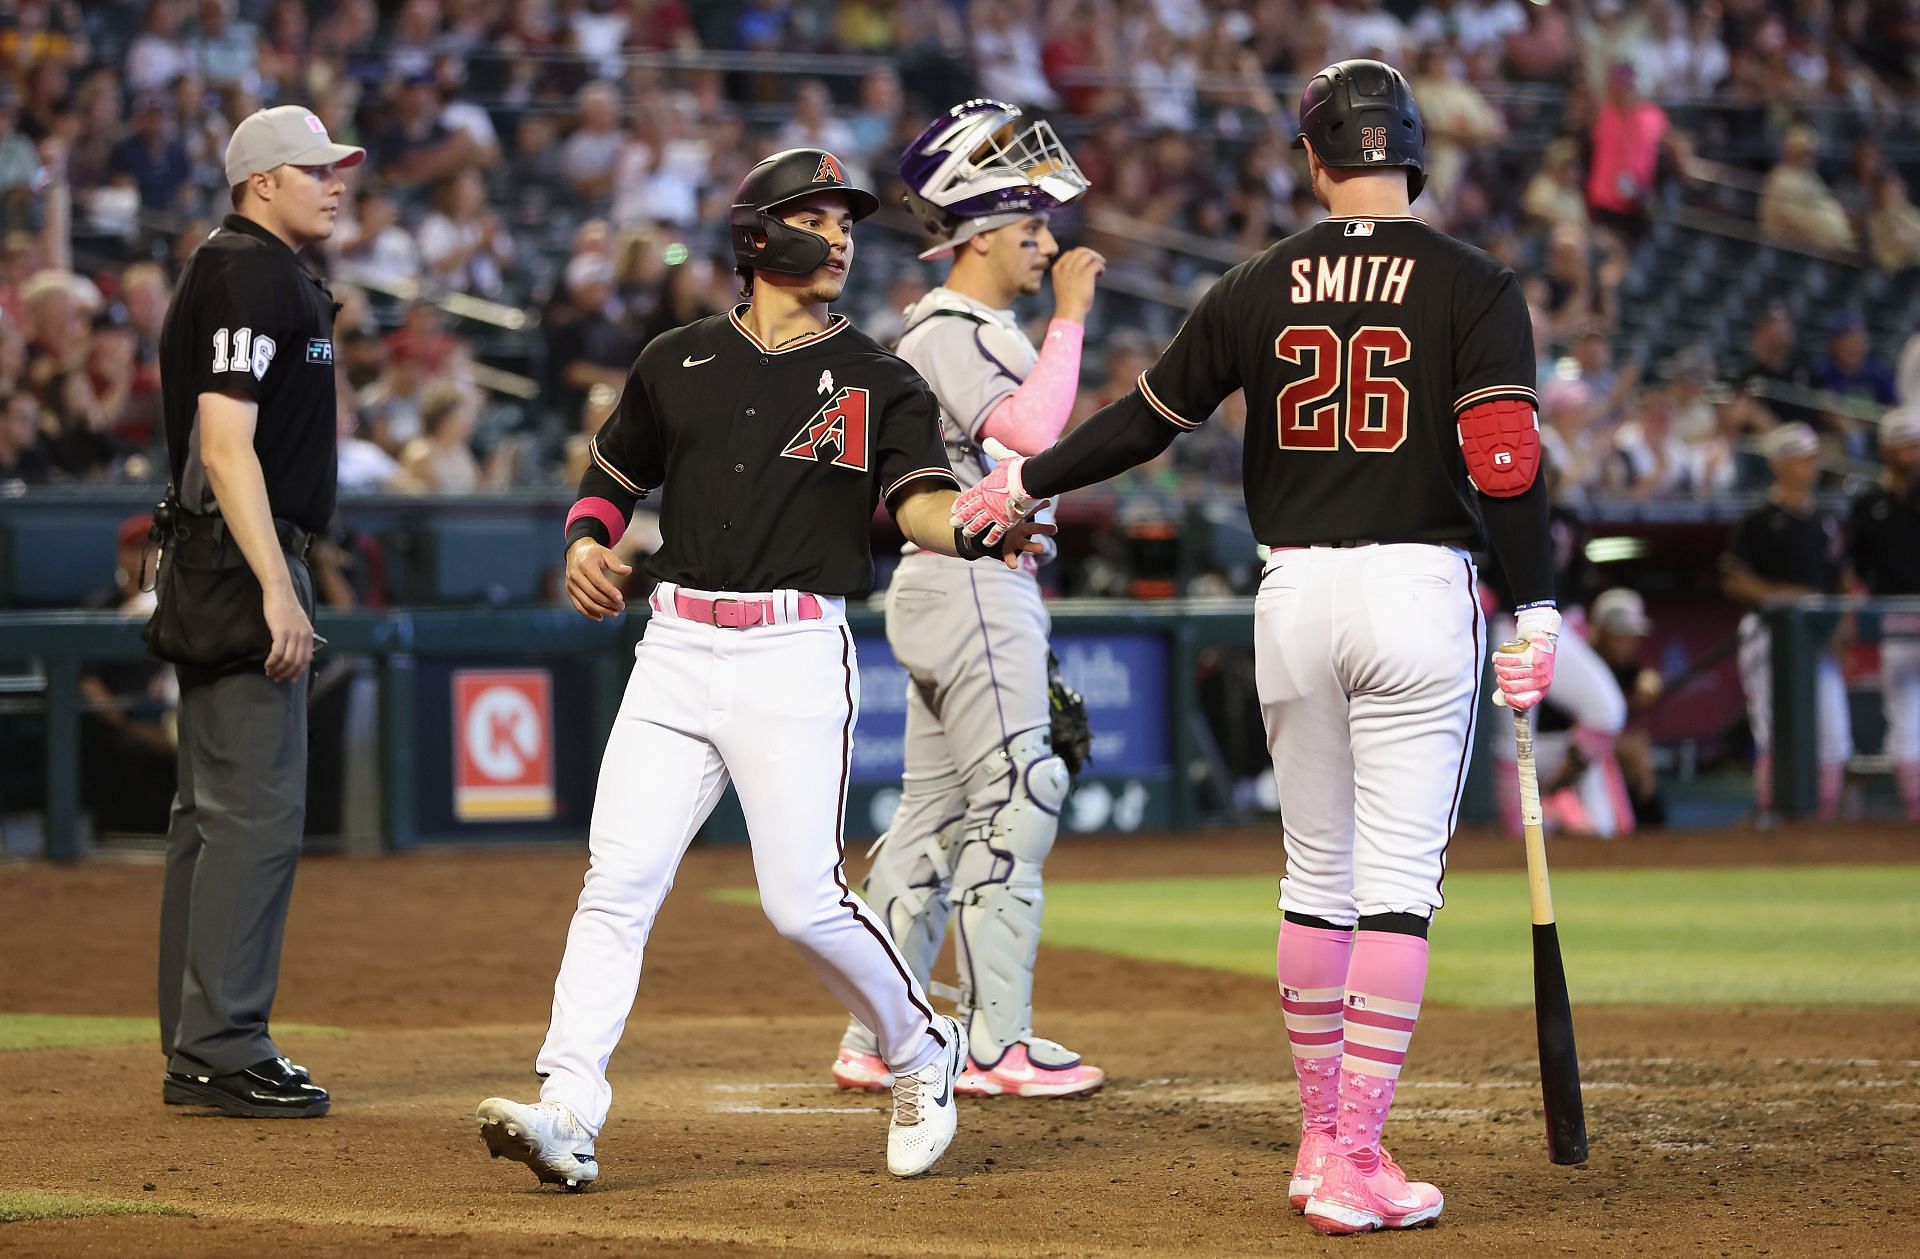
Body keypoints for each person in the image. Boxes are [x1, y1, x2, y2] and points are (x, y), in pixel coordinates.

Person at [952, 60, 1558, 1234]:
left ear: (1316, 159)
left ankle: (1321, 1135)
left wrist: (1024, 474)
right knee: (1394, 888)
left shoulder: (1255, 281)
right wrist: (1535, 605)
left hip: (1292, 595)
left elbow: (1144, 420)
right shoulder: (1477, 282)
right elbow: (1505, 459)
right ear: (1414, 153)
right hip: (1416, 587)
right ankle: (1357, 1152)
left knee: (1313, 876)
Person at [473, 147, 1054, 1191]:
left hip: (792, 646)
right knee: (618, 882)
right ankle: (569, 1105)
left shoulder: (882, 375)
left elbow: (920, 502)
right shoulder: (677, 357)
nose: (837, 236)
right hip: (675, 645)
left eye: (844, 222)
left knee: (801, 900)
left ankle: (923, 1049)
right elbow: (610, 477)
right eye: (815, 217)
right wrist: (581, 543)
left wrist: (974, 525)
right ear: (756, 237)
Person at [829, 99, 1107, 1101]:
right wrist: (1071, 318)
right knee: (1023, 793)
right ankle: (999, 1040)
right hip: (976, 583)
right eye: (1030, 224)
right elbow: (1032, 431)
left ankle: (878, 1030)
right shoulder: (954, 326)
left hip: (957, 585)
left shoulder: (954, 327)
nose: (1048, 242)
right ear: (981, 233)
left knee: (933, 815)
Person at [151, 104, 360, 1118]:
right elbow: (224, 442)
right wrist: (277, 581)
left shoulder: (256, 270)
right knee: (253, 814)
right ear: (261, 181)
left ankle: (201, 1038)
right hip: (243, 553)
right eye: (316, 169)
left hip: (221, 550)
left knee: (210, 815)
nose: (335, 182)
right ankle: (223, 1041)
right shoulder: (249, 269)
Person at [1723, 422, 1853, 822]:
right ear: (1779, 464)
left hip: (1817, 636)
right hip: (1770, 633)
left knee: (1834, 739)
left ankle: (1820, 825)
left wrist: (1839, 624)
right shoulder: (1760, 519)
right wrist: (1783, 597)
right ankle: (1775, 819)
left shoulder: (1824, 520)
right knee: (1774, 730)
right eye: (1801, 458)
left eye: (1813, 458)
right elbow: (1733, 578)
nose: (1810, 466)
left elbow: (1841, 579)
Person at [1848, 409, 1920, 819]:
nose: (1911, 456)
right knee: (1905, 721)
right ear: (1886, 450)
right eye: (1903, 447)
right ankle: (1914, 815)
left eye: (1916, 446)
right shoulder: (1869, 503)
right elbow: (1852, 569)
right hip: (1894, 622)